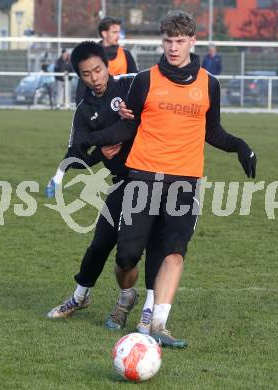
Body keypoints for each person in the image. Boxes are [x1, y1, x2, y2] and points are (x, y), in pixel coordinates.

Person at [83, 11, 257, 348]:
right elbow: (127, 126)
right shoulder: (145, 80)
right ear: (162, 42)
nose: (174, 47)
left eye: (180, 41)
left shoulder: (210, 83)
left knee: (174, 252)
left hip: (185, 182)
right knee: (126, 258)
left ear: (193, 41)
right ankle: (126, 296)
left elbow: (213, 130)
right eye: (168, 41)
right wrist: (95, 139)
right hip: (143, 177)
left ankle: (158, 325)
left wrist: (239, 146)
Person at [46, 41, 164, 335]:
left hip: (153, 179)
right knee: (99, 244)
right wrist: (101, 151)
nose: (95, 78)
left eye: (98, 69)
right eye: (87, 74)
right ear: (79, 76)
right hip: (121, 183)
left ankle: (144, 306)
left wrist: (95, 140)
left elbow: (137, 125)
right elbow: (74, 156)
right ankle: (80, 297)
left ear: (106, 65)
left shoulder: (128, 86)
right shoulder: (84, 110)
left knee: (137, 252)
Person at [75, 16, 138, 105]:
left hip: (120, 108)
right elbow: (82, 87)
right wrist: (81, 110)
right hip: (98, 107)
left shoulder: (126, 55)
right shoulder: (90, 56)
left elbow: (134, 83)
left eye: (119, 32)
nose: (118, 35)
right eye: (114, 32)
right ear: (104, 33)